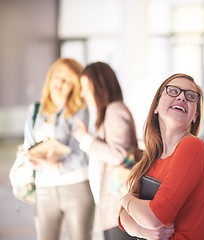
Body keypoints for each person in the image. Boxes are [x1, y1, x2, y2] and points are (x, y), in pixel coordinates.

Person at [118, 73, 204, 239]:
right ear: (156, 106)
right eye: (173, 91)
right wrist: (142, 231)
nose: (182, 97)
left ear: (195, 115)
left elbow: (155, 217)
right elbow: (122, 217)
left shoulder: (192, 147)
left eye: (191, 96)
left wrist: (126, 200)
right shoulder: (151, 157)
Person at [22, 58, 95, 240]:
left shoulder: (81, 110)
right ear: (50, 77)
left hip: (76, 186)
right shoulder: (35, 110)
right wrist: (31, 159)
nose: (60, 83)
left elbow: (84, 153)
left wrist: (58, 164)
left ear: (75, 85)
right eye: (58, 76)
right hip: (44, 187)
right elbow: (28, 145)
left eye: (68, 79)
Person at [72, 62, 139, 240]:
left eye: (86, 87)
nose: (82, 94)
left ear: (100, 85)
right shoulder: (110, 112)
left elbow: (119, 155)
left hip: (119, 206)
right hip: (114, 207)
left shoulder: (115, 110)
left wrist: (85, 139)